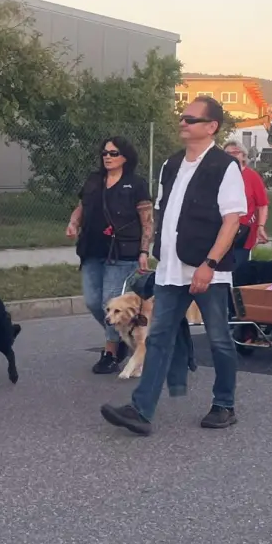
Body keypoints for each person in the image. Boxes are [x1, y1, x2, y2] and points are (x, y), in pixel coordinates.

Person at [99, 97, 247, 436]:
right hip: (170, 270)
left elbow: (232, 220)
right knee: (160, 337)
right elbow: (164, 214)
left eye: (191, 119)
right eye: (183, 117)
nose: (183, 122)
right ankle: (141, 410)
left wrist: (209, 264)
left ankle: (224, 404)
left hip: (208, 271)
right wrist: (154, 253)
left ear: (211, 127)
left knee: (220, 338)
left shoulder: (225, 167)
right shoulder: (172, 164)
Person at [65, 136, 153, 374]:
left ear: (125, 157)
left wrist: (144, 251)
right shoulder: (94, 181)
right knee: (94, 302)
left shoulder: (136, 184)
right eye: (105, 152)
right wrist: (74, 222)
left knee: (110, 302)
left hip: (123, 252)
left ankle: (111, 352)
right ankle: (122, 335)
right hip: (92, 249)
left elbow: (147, 221)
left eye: (113, 153)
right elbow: (82, 207)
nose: (107, 156)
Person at [224, 141, 270, 270]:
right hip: (221, 229)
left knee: (236, 268)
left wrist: (261, 227)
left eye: (235, 152)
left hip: (243, 231)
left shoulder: (252, 176)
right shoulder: (219, 175)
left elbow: (262, 204)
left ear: (243, 156)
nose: (232, 155)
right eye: (228, 153)